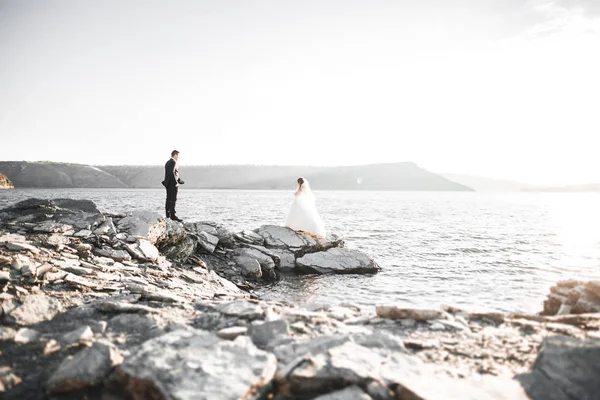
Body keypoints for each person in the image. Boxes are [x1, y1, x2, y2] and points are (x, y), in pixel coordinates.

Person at [161, 150, 185, 222]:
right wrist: (176, 182)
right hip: (172, 184)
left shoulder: (168, 162)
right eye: (178, 155)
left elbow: (173, 173)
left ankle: (168, 215)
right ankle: (173, 216)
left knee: (168, 199)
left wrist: (179, 180)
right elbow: (172, 173)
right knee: (173, 199)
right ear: (175, 155)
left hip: (168, 183)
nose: (178, 157)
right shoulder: (173, 162)